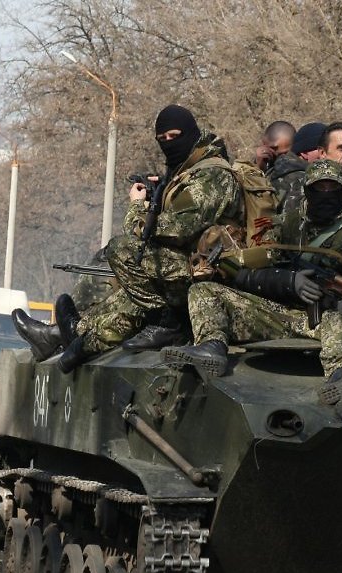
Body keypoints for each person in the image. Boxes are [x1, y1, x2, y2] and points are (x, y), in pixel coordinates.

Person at [160, 160, 342, 405]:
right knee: (204, 290)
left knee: (340, 317)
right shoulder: (285, 225)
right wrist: (288, 281)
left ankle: (341, 374)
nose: (326, 196)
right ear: (306, 191)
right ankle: (211, 346)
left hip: (334, 318)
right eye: (318, 189)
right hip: (283, 312)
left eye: (332, 189)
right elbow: (255, 271)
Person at [41, 104, 244, 373]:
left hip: (210, 272)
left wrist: (138, 208)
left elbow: (179, 228)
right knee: (132, 295)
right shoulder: (189, 171)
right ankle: (76, 336)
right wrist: (159, 191)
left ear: (191, 133)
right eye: (163, 140)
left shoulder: (213, 175)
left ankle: (166, 323)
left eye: (174, 136)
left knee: (123, 250)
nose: (169, 144)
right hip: (191, 266)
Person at [274, 121, 326, 214]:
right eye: (322, 149)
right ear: (305, 153)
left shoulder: (278, 168)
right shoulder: (302, 180)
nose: (326, 154)